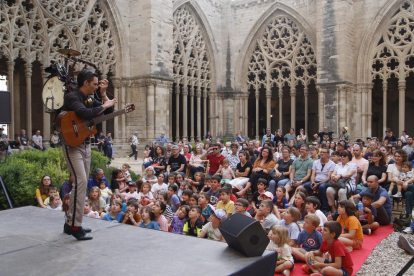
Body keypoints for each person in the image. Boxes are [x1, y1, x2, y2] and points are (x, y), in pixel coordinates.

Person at [62, 69, 116, 240]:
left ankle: (70, 222)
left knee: (81, 184)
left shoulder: (90, 98)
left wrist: (102, 96)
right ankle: (75, 226)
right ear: (85, 83)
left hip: (85, 144)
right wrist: (104, 104)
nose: (96, 86)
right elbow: (84, 113)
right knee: (80, 181)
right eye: (94, 84)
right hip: (72, 146)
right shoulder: (72, 97)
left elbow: (105, 112)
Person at [304, 148, 335, 213]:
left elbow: (328, 177)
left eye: (324, 152)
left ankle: (324, 207)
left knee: (322, 187)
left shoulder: (332, 164)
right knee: (306, 186)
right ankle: (307, 205)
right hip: (315, 181)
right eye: (321, 152)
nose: (322, 154)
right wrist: (313, 182)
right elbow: (313, 174)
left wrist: (319, 184)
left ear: (328, 154)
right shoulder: (316, 162)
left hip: (325, 181)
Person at [387, 149, 414, 216]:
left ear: (403, 157)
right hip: (394, 186)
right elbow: (389, 179)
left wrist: (406, 182)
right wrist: (397, 180)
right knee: (411, 187)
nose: (396, 158)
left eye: (399, 156)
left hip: (406, 186)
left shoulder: (409, 166)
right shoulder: (391, 166)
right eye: (395, 156)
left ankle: (408, 215)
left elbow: (413, 178)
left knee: (409, 194)